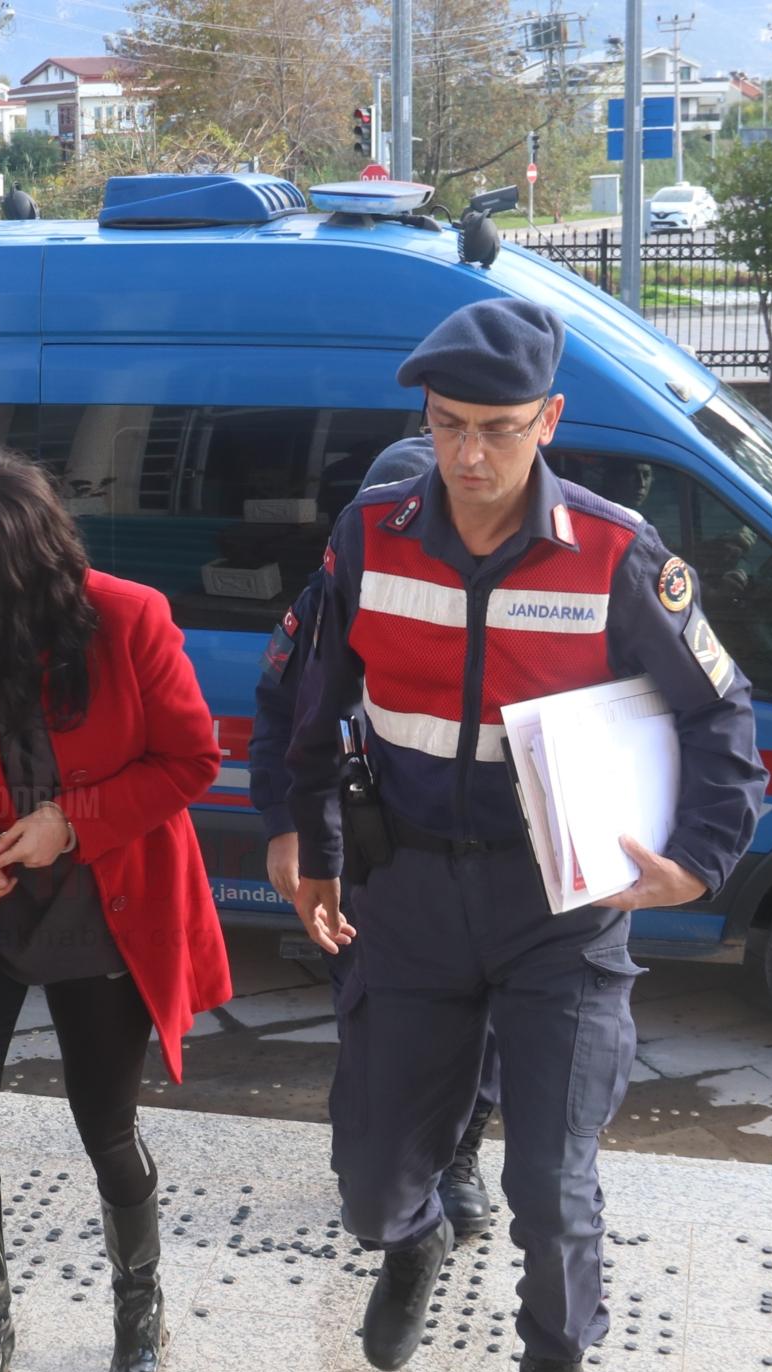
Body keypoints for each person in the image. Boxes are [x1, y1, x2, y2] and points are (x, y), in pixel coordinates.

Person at [284, 300, 765, 1372]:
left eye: (499, 429)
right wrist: (302, 839)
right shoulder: (371, 536)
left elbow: (722, 717)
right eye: (448, 426)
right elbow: (299, 707)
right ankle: (413, 1239)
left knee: (551, 1186)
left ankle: (552, 1367)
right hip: (405, 903)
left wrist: (697, 859)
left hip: (561, 910)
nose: (470, 455)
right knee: (363, 1185)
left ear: (548, 419)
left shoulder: (616, 554)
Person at [0, 452, 232, 1372]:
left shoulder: (128, 616)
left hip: (100, 901)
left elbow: (192, 758)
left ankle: (138, 1307)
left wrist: (71, 822)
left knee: (103, 1122)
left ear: (37, 558)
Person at [249, 433, 503, 1245]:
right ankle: (368, 1153)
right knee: (371, 1017)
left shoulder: (492, 599)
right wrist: (285, 826)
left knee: (485, 1019)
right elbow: (278, 720)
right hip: (360, 853)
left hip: (469, 856)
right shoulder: (329, 598)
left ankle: (458, 1155)